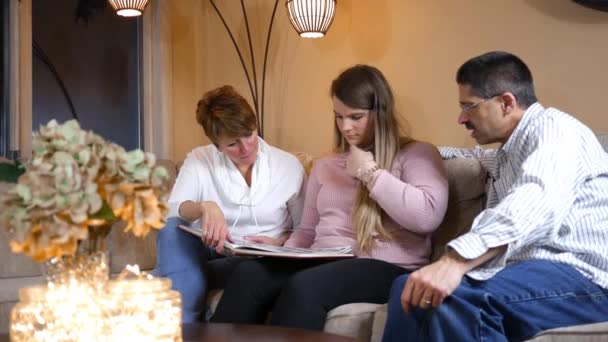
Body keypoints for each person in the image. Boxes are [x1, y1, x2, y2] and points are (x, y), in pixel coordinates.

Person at [382, 51, 608, 342]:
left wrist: (454, 262)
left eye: (469, 107)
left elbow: (534, 201)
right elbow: (474, 157)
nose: (461, 118)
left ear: (506, 103)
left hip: (585, 279)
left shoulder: (557, 131)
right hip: (530, 275)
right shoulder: (508, 153)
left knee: (456, 299)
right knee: (409, 288)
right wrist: (422, 154)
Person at [210, 64, 449, 330]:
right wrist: (282, 252)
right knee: (249, 274)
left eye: (355, 117)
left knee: (305, 286)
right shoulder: (326, 165)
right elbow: (307, 231)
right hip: (323, 259)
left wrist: (370, 172)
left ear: (380, 112)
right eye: (339, 116)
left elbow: (427, 217)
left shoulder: (417, 153)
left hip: (386, 266)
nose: (346, 127)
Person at [155, 85, 305, 323]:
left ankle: (175, 280)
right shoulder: (200, 159)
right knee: (170, 230)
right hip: (208, 252)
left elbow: (305, 230)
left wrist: (278, 241)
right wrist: (204, 206)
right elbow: (173, 209)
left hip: (257, 260)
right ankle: (184, 326)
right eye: (232, 144)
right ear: (217, 145)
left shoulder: (288, 166)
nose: (246, 148)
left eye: (249, 134)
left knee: (192, 275)